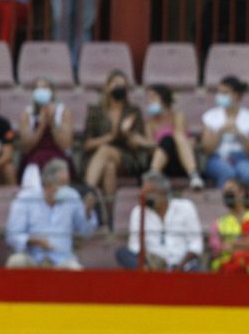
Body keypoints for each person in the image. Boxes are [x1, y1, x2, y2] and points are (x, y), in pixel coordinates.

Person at [5, 157, 97, 269]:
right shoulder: (25, 198)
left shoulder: (72, 196)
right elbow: (12, 235)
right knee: (16, 261)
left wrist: (87, 212)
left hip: (62, 261)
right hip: (32, 259)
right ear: (48, 185)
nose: (66, 188)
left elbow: (84, 232)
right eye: (62, 184)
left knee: (76, 269)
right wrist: (32, 241)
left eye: (67, 183)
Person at [83, 70, 149, 223]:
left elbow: (137, 145)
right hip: (97, 160)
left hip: (127, 157)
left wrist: (126, 134)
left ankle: (88, 192)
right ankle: (110, 216)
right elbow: (87, 144)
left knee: (106, 151)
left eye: (122, 86)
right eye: (116, 84)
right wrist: (111, 136)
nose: (119, 88)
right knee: (109, 167)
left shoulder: (133, 112)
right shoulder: (95, 111)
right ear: (107, 87)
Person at [117, 172, 202, 271]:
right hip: (151, 266)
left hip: (182, 266)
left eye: (148, 193)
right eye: (143, 193)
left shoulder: (185, 207)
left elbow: (196, 245)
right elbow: (135, 246)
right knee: (122, 253)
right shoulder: (138, 212)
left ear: (163, 193)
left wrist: (178, 268)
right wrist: (149, 260)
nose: (143, 197)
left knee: (198, 270)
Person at [200, 75, 249, 189]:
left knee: (248, 173)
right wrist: (220, 131)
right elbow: (206, 149)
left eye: (225, 93)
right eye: (219, 92)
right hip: (217, 158)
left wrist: (240, 135)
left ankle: (243, 204)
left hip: (243, 158)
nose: (220, 96)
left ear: (236, 95)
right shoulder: (210, 116)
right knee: (227, 173)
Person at [17, 76, 72, 190]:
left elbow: (65, 145)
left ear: (52, 92)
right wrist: (41, 126)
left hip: (58, 156)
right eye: (37, 88)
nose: (41, 91)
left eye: (45, 88)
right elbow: (26, 146)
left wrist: (52, 123)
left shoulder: (63, 112)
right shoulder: (27, 114)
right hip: (34, 158)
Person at [143, 84, 202, 190]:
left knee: (174, 137)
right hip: (162, 163)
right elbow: (151, 149)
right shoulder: (149, 124)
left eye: (153, 97)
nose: (149, 101)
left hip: (180, 160)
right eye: (148, 98)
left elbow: (179, 136)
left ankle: (193, 174)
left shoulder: (178, 116)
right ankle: (153, 173)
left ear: (163, 98)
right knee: (167, 140)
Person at [208, 177, 249, 275]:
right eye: (225, 192)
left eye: (230, 190)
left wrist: (233, 244)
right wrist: (246, 244)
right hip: (226, 268)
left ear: (242, 192)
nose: (227, 194)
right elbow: (217, 249)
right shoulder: (218, 223)